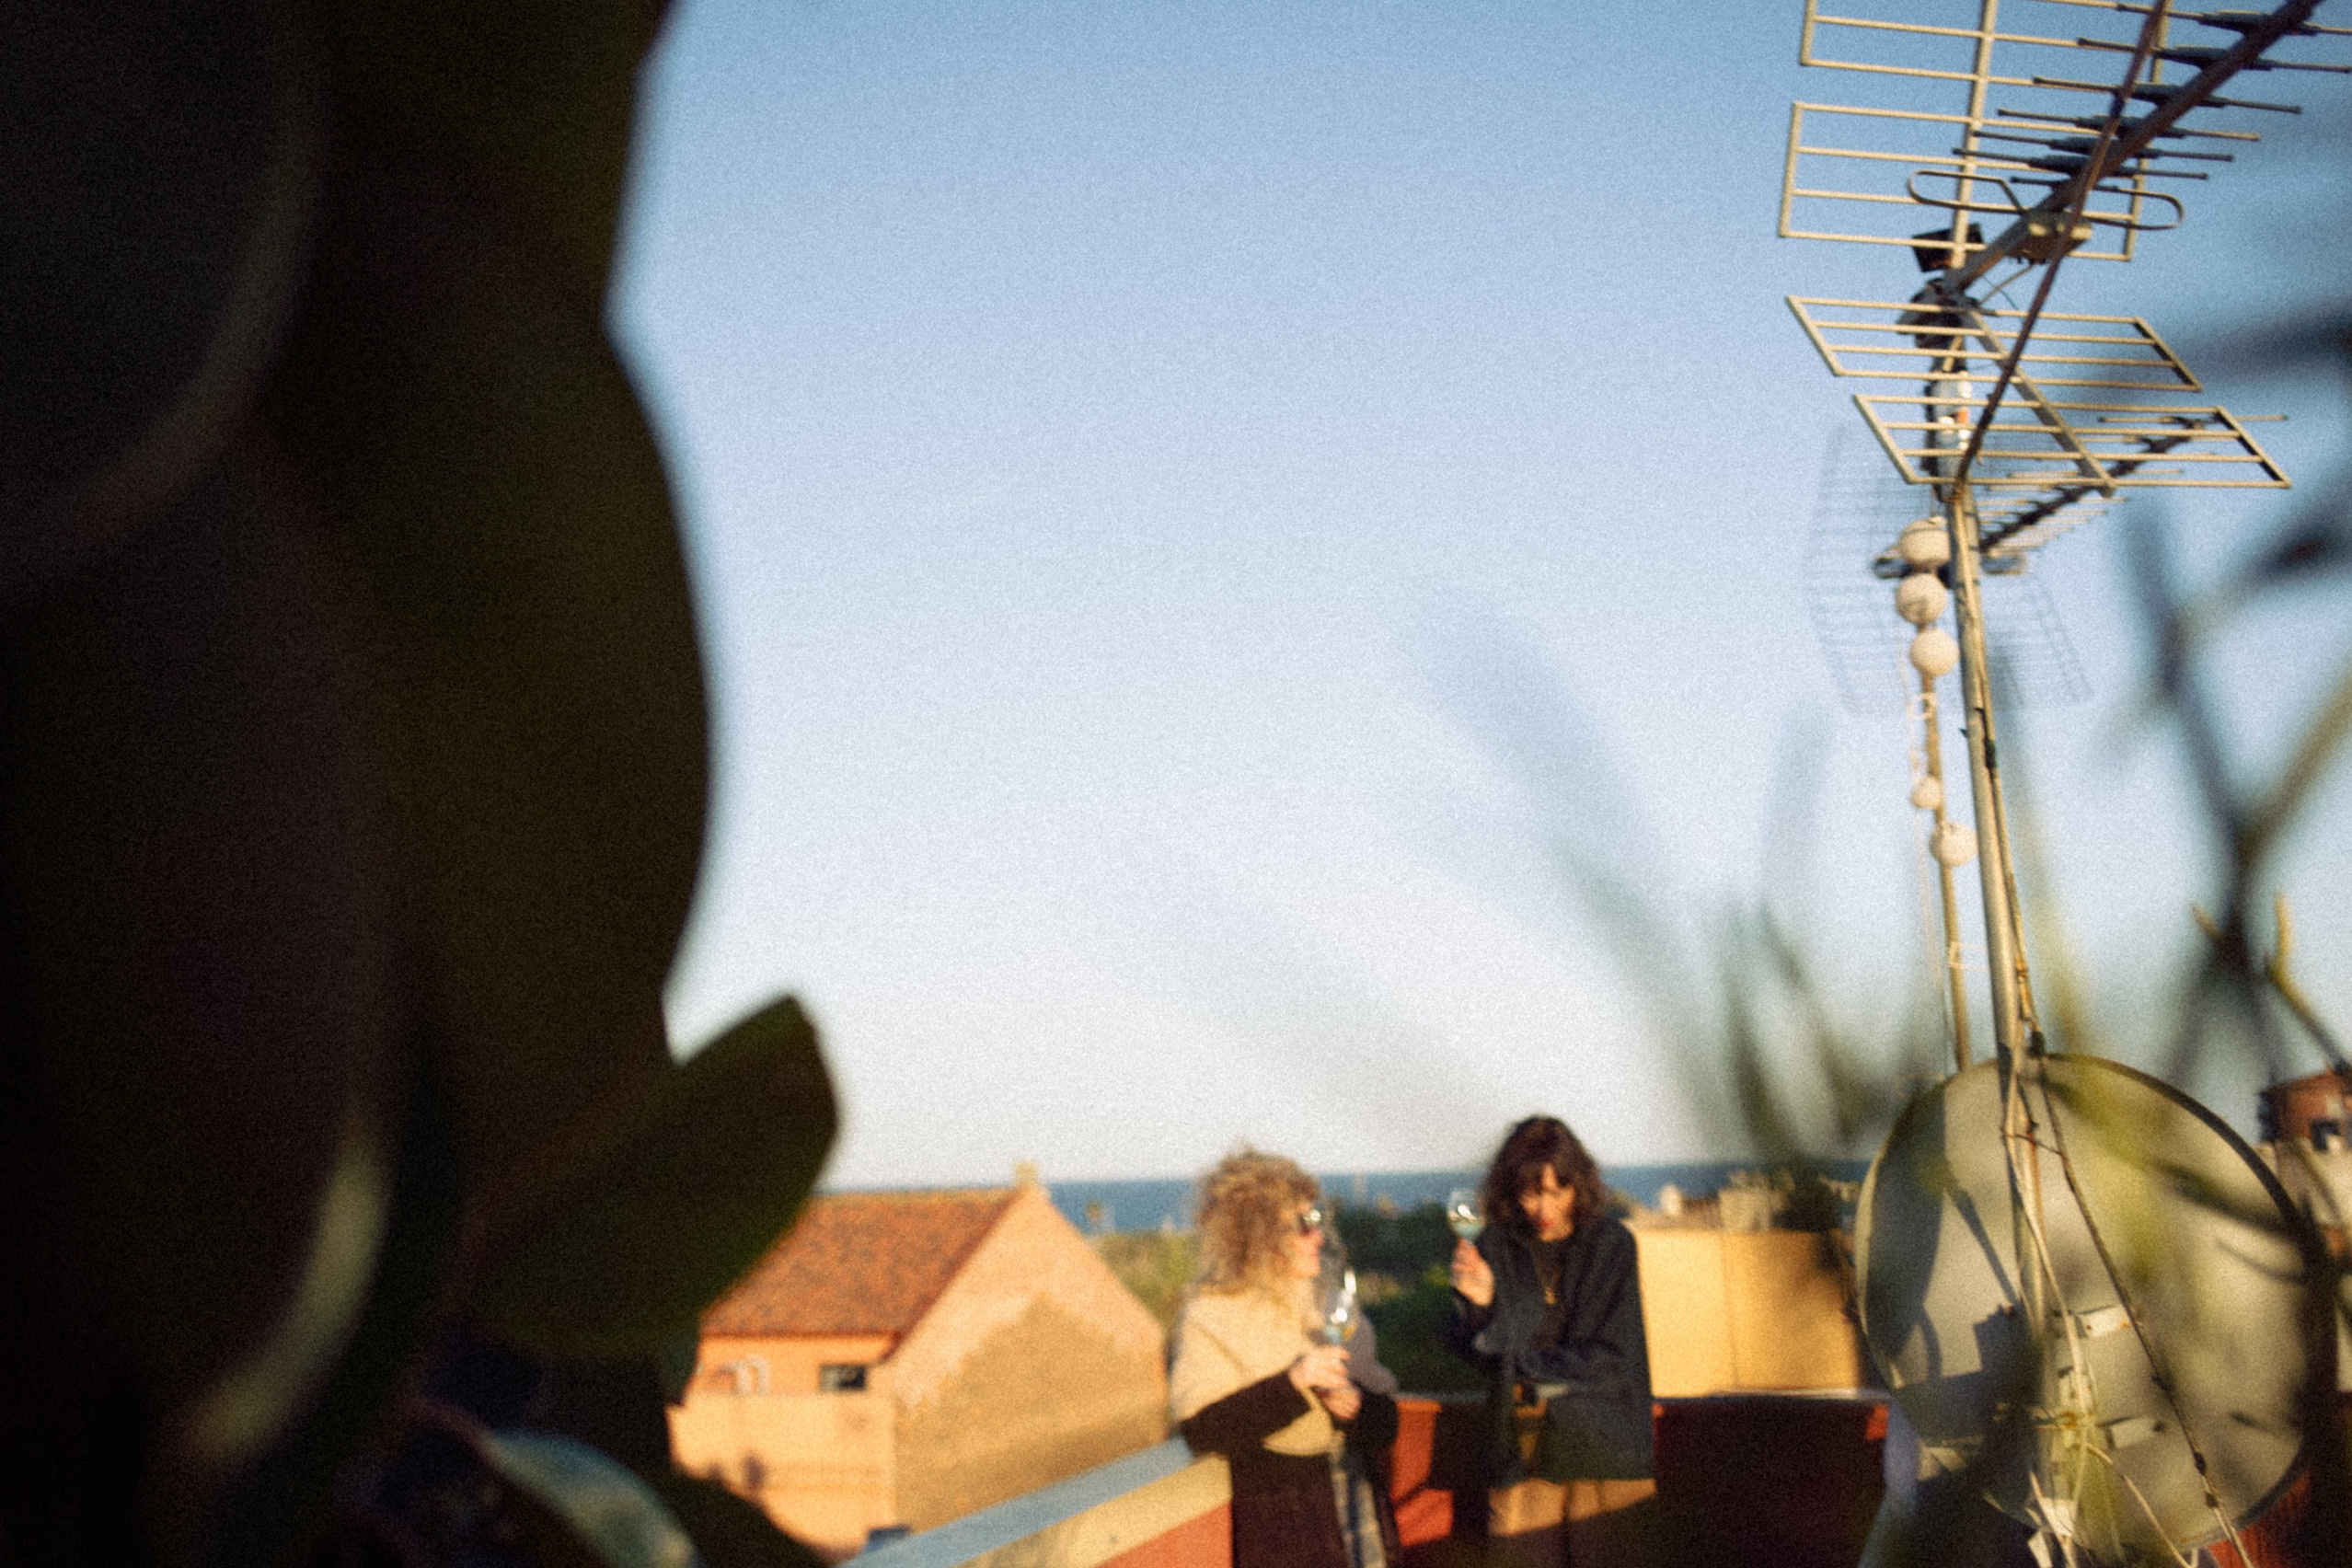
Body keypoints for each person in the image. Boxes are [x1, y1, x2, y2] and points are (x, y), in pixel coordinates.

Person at [1170, 1148, 1402, 1568]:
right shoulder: (1211, 1315)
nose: (1318, 1236)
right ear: (1257, 1236)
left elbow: (1386, 1423)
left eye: (1317, 1220)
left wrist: (1356, 1408)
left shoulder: (1332, 1303)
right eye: (1302, 1225)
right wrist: (1293, 1383)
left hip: (1359, 1507)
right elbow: (1202, 1430)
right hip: (1283, 1527)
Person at [1447, 1116, 1658, 1566]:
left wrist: (1520, 1364)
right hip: (1521, 1451)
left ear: (1578, 1186)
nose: (1544, 1207)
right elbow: (1475, 1354)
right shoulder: (1493, 1246)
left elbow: (1613, 1355)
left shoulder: (1612, 1244)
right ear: (1509, 1188)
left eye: (1556, 1191)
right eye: (1530, 1192)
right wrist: (1482, 1305)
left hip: (1603, 1446)